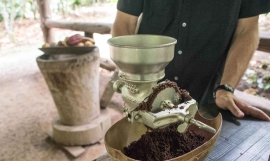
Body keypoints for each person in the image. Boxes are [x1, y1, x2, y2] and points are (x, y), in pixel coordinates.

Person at [111, 0, 270, 121]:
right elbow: (124, 23)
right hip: (146, 92)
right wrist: (136, 82)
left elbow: (247, 29)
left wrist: (226, 87)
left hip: (208, 98)